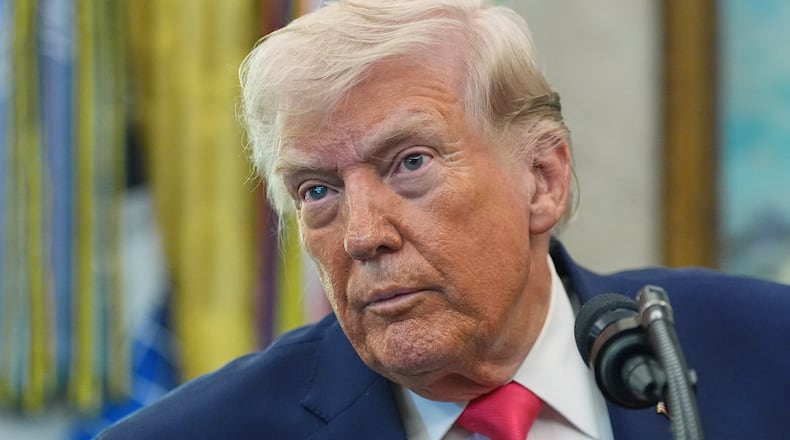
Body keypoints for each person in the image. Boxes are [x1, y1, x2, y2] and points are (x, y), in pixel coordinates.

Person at [100, 1, 790, 439]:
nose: (364, 233)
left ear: (543, 178)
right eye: (317, 191)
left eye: (410, 163)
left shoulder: (767, 353)